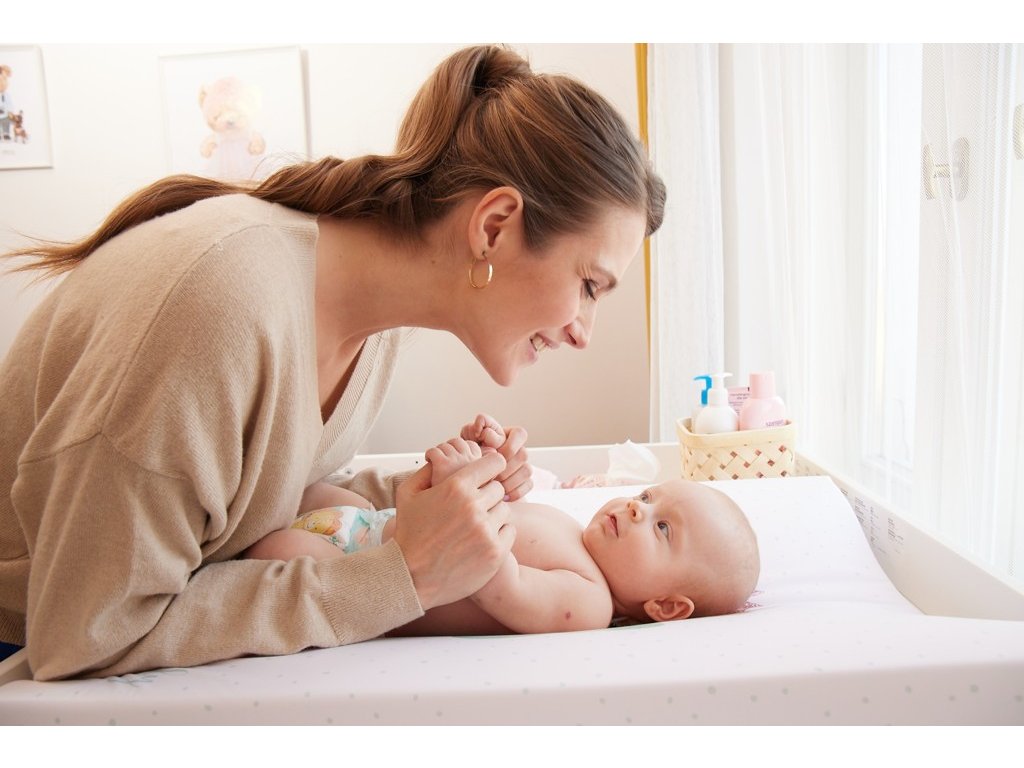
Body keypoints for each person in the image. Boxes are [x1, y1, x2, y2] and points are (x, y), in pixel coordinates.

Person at [0, 45, 665, 680]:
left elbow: (252, 488)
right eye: (589, 285)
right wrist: (404, 576)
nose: (584, 333)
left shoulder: (372, 319)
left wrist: (438, 497)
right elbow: (88, 630)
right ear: (493, 226)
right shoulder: (220, 306)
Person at [246, 437, 760, 634]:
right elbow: (493, 517)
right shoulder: (571, 530)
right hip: (370, 524)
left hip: (361, 574)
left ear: (666, 606)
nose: (636, 507)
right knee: (306, 489)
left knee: (278, 550)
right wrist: (486, 469)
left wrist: (460, 492)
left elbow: (492, 576)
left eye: (662, 527)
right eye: (648, 496)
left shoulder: (588, 603)